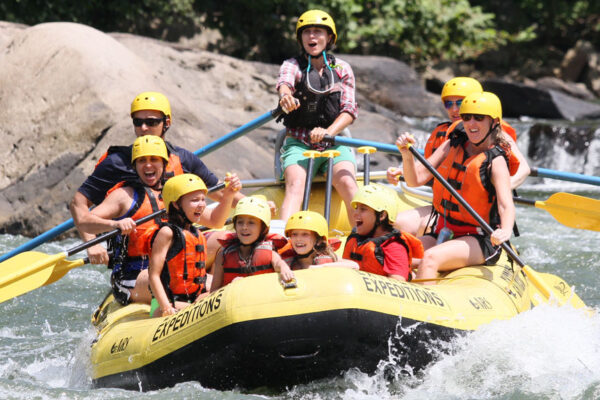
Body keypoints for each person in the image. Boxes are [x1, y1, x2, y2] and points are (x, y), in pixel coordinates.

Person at [70, 91, 244, 266]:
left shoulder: (183, 158)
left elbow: (219, 193)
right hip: (137, 256)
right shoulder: (117, 163)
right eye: (138, 122)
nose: (144, 128)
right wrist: (91, 244)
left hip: (176, 243)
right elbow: (79, 203)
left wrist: (253, 204)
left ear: (166, 123)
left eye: (151, 122)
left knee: (227, 242)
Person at [77, 137, 240, 305]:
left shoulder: (175, 191)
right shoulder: (124, 196)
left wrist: (228, 196)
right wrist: (111, 227)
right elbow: (85, 221)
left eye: (154, 159)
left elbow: (215, 220)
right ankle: (176, 306)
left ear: (163, 164)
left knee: (225, 241)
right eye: (142, 161)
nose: (148, 165)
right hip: (134, 274)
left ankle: (202, 297)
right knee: (165, 280)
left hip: (173, 265)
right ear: (135, 166)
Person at [395, 92, 517, 284]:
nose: (471, 124)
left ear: (493, 122)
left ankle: (425, 310)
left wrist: (506, 230)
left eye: (479, 118)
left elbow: (505, 205)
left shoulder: (496, 160)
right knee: (399, 253)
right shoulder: (453, 143)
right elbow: (415, 180)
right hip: (444, 229)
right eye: (467, 118)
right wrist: (406, 155)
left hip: (479, 238)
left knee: (430, 259)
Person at [386, 77, 530, 236]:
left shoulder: (496, 135)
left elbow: (524, 169)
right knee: (393, 224)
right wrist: (404, 170)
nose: (454, 109)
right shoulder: (452, 137)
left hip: (479, 219)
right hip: (447, 212)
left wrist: (496, 189)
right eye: (449, 103)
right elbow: (423, 172)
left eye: (460, 103)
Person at [277, 9, 358, 223]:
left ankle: (362, 238)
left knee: (349, 183)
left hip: (334, 142)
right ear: (300, 38)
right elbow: (284, 84)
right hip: (299, 143)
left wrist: (328, 133)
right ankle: (283, 241)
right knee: (296, 185)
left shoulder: (341, 68)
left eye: (318, 32)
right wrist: (286, 96)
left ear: (329, 37)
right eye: (307, 32)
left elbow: (349, 110)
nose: (312, 37)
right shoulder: (292, 65)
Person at [148, 173, 239, 317]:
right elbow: (153, 275)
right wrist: (166, 307)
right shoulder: (167, 233)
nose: (202, 204)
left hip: (194, 299)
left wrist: (228, 194)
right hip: (169, 303)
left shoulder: (197, 234)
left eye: (203, 199)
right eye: (195, 200)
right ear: (176, 204)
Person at [210, 196, 295, 290]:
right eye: (240, 222)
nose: (244, 227)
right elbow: (214, 291)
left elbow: (278, 263)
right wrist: (231, 287)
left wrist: (284, 268)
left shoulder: (269, 253)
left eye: (251, 223)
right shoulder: (223, 255)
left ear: (263, 228)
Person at [342, 184, 424, 281]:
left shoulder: (394, 246)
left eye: (363, 209)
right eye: (356, 208)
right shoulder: (356, 239)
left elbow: (398, 284)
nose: (355, 213)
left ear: (382, 216)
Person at [281, 210, 358, 270]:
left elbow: (355, 266)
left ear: (319, 240)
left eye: (305, 234)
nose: (298, 239)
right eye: (294, 234)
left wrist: (321, 268)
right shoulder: (286, 261)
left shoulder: (326, 257)